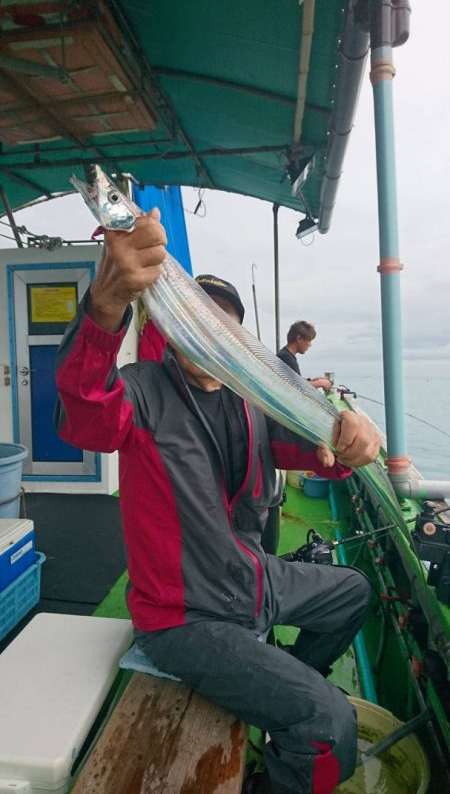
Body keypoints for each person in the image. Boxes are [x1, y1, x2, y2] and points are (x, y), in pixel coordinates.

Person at [54, 211, 380, 794]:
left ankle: (285, 687)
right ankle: (291, 727)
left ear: (236, 337)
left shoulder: (253, 400)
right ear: (173, 322)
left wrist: (353, 436)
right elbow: (83, 414)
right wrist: (105, 307)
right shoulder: (141, 391)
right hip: (185, 617)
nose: (208, 330)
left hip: (253, 583)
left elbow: (318, 448)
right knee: (329, 726)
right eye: (198, 315)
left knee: (354, 590)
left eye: (222, 321)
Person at [277, 321, 332, 392]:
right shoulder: (286, 357)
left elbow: (294, 380)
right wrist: (320, 383)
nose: (310, 345)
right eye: (309, 340)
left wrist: (312, 381)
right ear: (299, 338)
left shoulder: (285, 355)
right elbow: (299, 386)